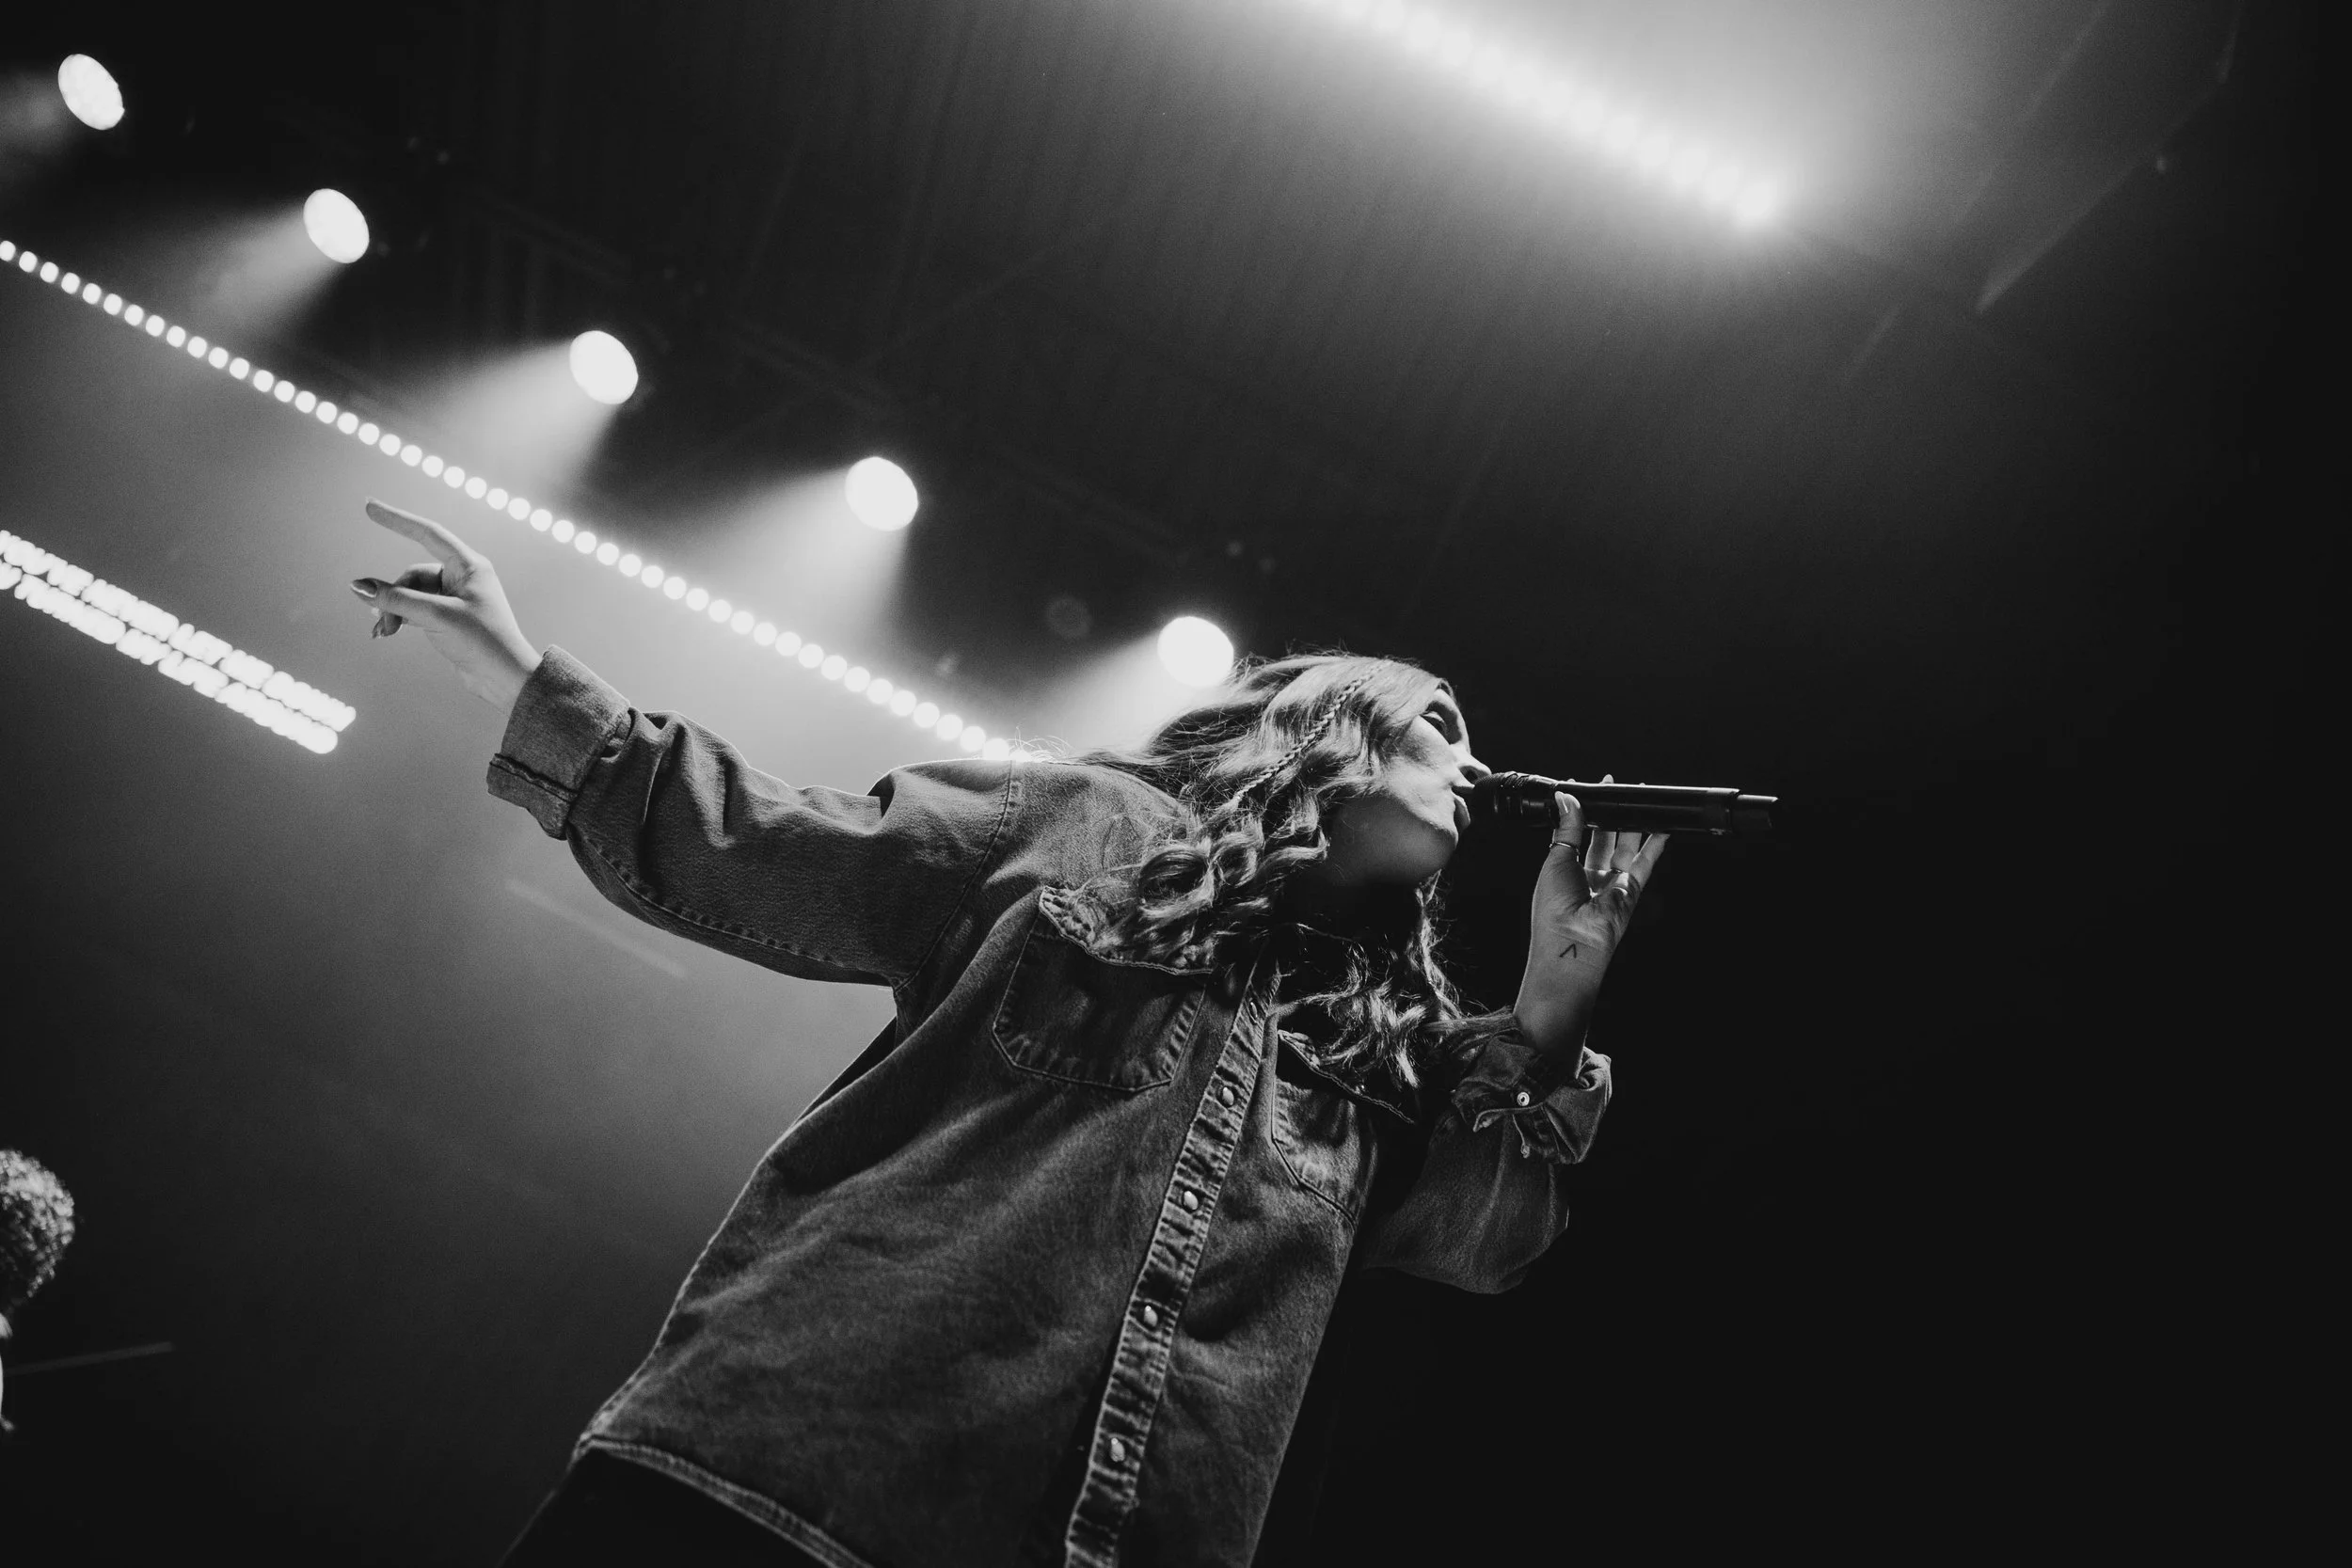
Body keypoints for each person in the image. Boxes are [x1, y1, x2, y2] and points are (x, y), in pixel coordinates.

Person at [349, 497, 1666, 1567]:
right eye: (1441, 720)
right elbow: (772, 844)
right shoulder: (1092, 825)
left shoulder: (1395, 1046)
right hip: (795, 1476)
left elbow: (1483, 1244)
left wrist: (1556, 1001)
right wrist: (523, 676)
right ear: (1332, 728)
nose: (1471, 759)